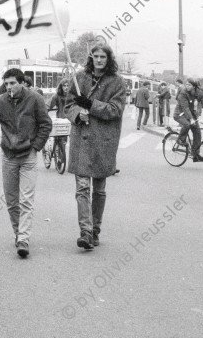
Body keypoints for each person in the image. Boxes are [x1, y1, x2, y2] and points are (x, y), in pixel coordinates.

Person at [0, 68, 51, 258]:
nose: (9, 87)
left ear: (22, 82)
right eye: (6, 84)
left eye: (13, 83)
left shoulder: (35, 99)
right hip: (8, 156)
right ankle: (18, 232)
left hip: (28, 155)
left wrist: (36, 147)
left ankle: (23, 238)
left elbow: (46, 124)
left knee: (26, 200)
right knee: (12, 201)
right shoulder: (0, 101)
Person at [65, 44, 126, 250]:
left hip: (103, 142)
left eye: (103, 57)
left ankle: (95, 229)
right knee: (82, 188)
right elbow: (69, 105)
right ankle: (86, 231)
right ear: (91, 58)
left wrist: (90, 105)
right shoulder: (80, 78)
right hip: (81, 140)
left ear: (108, 60)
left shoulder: (117, 82)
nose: (99, 60)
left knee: (99, 190)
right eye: (96, 56)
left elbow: (115, 110)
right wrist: (77, 114)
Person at [173, 78, 203, 162]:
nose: (187, 86)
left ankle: (195, 155)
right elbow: (185, 108)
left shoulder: (199, 92)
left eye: (189, 85)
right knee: (187, 124)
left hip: (191, 114)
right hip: (179, 113)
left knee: (198, 133)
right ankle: (180, 139)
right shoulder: (183, 92)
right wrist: (191, 119)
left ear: (194, 86)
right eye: (186, 84)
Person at [43, 78, 70, 168]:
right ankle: (53, 154)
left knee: (66, 141)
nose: (66, 88)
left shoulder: (72, 96)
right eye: (64, 86)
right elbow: (48, 106)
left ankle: (60, 157)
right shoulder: (56, 96)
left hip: (70, 121)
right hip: (61, 120)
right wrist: (44, 115)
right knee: (60, 139)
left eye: (67, 86)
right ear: (61, 87)